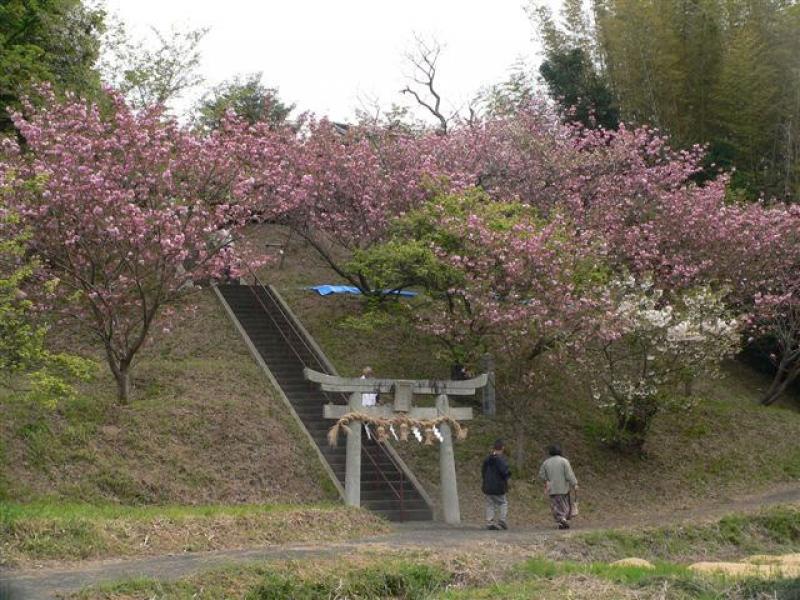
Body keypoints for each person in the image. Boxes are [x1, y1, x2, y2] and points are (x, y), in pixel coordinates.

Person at [539, 444, 578, 529]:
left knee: (556, 506)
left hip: (552, 489)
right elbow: (569, 475)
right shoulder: (564, 461)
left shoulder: (546, 462)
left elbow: (541, 474)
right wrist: (574, 483)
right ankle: (563, 519)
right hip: (563, 488)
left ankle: (561, 521)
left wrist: (547, 480)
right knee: (565, 505)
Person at [481, 439, 511, 530]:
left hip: (487, 486)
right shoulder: (500, 460)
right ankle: (502, 520)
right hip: (498, 486)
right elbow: (505, 472)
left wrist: (485, 480)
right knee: (503, 503)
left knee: (490, 504)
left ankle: (489, 522)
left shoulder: (487, 459)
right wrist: (507, 478)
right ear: (502, 448)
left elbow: (483, 471)